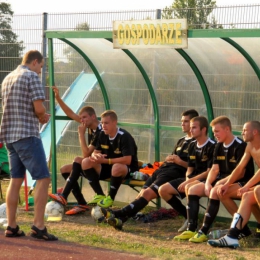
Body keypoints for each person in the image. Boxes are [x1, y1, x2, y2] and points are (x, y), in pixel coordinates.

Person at [101, 109, 199, 230]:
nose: (182, 124)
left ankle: (118, 213)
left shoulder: (197, 143)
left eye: (186, 121)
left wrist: (179, 161)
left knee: (147, 194)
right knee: (141, 194)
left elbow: (195, 167)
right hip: (163, 170)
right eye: (182, 121)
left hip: (174, 174)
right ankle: (121, 220)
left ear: (195, 123)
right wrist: (169, 159)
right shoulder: (181, 140)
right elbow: (174, 157)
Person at [0, 50, 57, 240]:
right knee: (43, 178)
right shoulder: (31, 76)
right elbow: (39, 108)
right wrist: (43, 116)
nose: (40, 71)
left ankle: (12, 225)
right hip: (27, 135)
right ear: (35, 62)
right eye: (41, 66)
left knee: (16, 180)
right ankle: (39, 226)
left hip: (9, 136)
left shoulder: (8, 78)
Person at [174, 116, 254, 243]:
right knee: (193, 189)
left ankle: (204, 231)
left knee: (217, 191)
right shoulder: (218, 146)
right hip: (222, 181)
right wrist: (207, 183)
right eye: (214, 131)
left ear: (227, 129)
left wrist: (219, 183)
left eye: (217, 131)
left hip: (242, 182)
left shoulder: (240, 145)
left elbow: (240, 173)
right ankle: (191, 228)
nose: (214, 134)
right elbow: (214, 169)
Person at [50, 109, 139, 209]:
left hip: (126, 169)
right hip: (107, 166)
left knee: (116, 167)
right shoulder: (102, 134)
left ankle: (110, 198)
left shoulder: (124, 136)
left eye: (106, 123)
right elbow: (95, 152)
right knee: (86, 161)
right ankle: (97, 195)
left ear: (115, 123)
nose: (103, 126)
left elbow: (128, 160)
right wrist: (96, 156)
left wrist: (105, 161)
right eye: (102, 123)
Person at [206, 121, 260, 248]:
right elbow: (239, 167)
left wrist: (247, 185)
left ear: (255, 132)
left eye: (245, 130)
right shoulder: (249, 146)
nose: (242, 133)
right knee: (246, 195)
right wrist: (227, 183)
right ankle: (232, 236)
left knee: (256, 189)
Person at [158, 116, 216, 233]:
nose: (191, 130)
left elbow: (209, 172)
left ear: (204, 129)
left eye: (194, 128)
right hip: (192, 179)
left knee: (190, 187)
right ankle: (187, 216)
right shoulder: (192, 145)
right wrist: (187, 179)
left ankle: (192, 227)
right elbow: (190, 168)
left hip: (207, 179)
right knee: (163, 190)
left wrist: (188, 182)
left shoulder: (212, 146)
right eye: (191, 128)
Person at [51, 86, 102, 215]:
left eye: (84, 117)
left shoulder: (101, 131)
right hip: (92, 163)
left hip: (103, 166)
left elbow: (86, 154)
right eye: (81, 118)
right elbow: (70, 113)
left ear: (93, 117)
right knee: (64, 169)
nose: (82, 120)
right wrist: (58, 98)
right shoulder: (89, 124)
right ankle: (81, 203)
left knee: (78, 160)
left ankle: (64, 195)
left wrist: (81, 134)